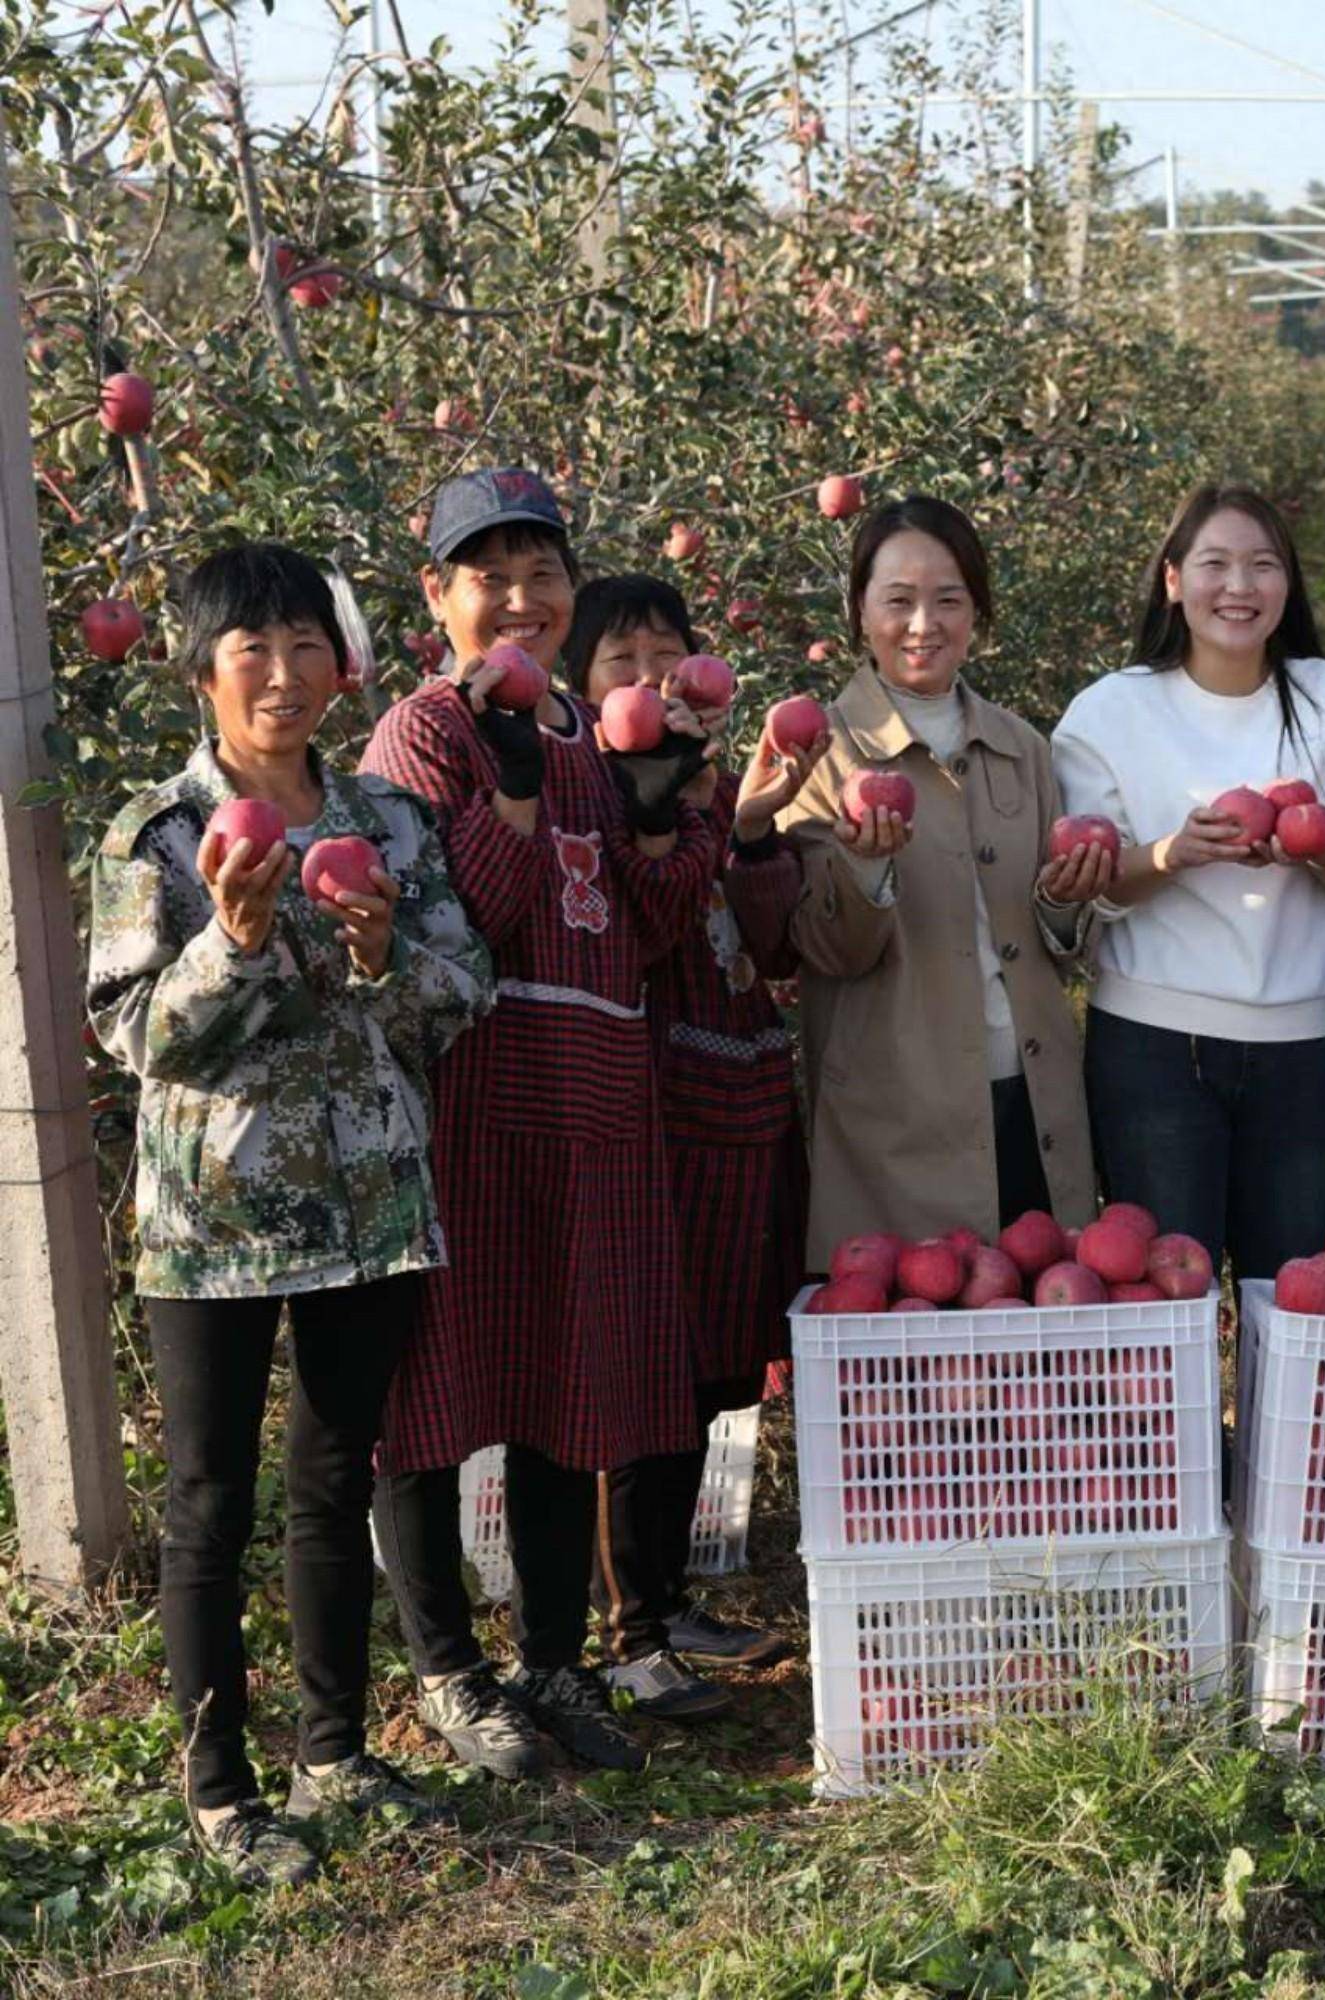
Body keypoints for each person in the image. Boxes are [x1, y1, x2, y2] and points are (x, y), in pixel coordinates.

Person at [86, 544, 494, 1883]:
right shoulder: (157, 837)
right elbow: (138, 1034)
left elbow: (459, 997)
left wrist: (379, 954)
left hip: (369, 1210)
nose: (280, 671)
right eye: (249, 647)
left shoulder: (391, 826)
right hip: (211, 1228)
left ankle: (334, 1751)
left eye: (305, 643)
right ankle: (220, 1789)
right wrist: (237, 940)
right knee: (208, 1501)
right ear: (201, 670)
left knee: (336, 1479)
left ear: (340, 664)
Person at [361, 468, 722, 1781]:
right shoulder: (426, 731)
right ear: (438, 597)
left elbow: (669, 923)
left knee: (572, 1389)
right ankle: (452, 1669)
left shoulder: (598, 721)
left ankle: (555, 1659)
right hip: (471, 1110)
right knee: (442, 1388)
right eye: (489, 575)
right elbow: (463, 920)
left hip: (599, 1105)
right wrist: (512, 791)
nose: (519, 599)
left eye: (542, 573)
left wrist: (659, 804)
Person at [563, 578, 824, 1716]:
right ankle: (627, 1628)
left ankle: (665, 1601)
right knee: (649, 1371)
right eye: (622, 660)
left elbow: (772, 943)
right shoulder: (596, 794)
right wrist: (693, 808)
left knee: (714, 1366)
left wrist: (753, 820)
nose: (652, 680)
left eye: (670, 657)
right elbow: (642, 914)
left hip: (744, 1103)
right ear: (581, 689)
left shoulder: (715, 783)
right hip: (659, 1117)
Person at [1052, 485, 1325, 1279]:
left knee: (1291, 1288)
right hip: (1152, 1044)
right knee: (1170, 1288)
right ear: (1173, 580)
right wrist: (1174, 853)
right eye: (1215, 564)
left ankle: (1274, 1413)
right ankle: (1183, 1414)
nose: (1239, 588)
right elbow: (1089, 884)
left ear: (1289, 584)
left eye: (1262, 566)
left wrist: (1313, 848)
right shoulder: (1110, 713)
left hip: (1296, 1044)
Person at [779, 497, 1107, 1252]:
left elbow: (1061, 944)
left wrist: (1064, 901)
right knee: (923, 1350)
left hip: (1032, 1095)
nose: (923, 624)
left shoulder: (1022, 748)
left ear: (977, 614)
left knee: (1037, 1346)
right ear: (859, 612)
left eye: (949, 600)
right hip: (899, 1119)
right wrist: (864, 863)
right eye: (898, 600)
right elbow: (826, 952)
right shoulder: (819, 754)